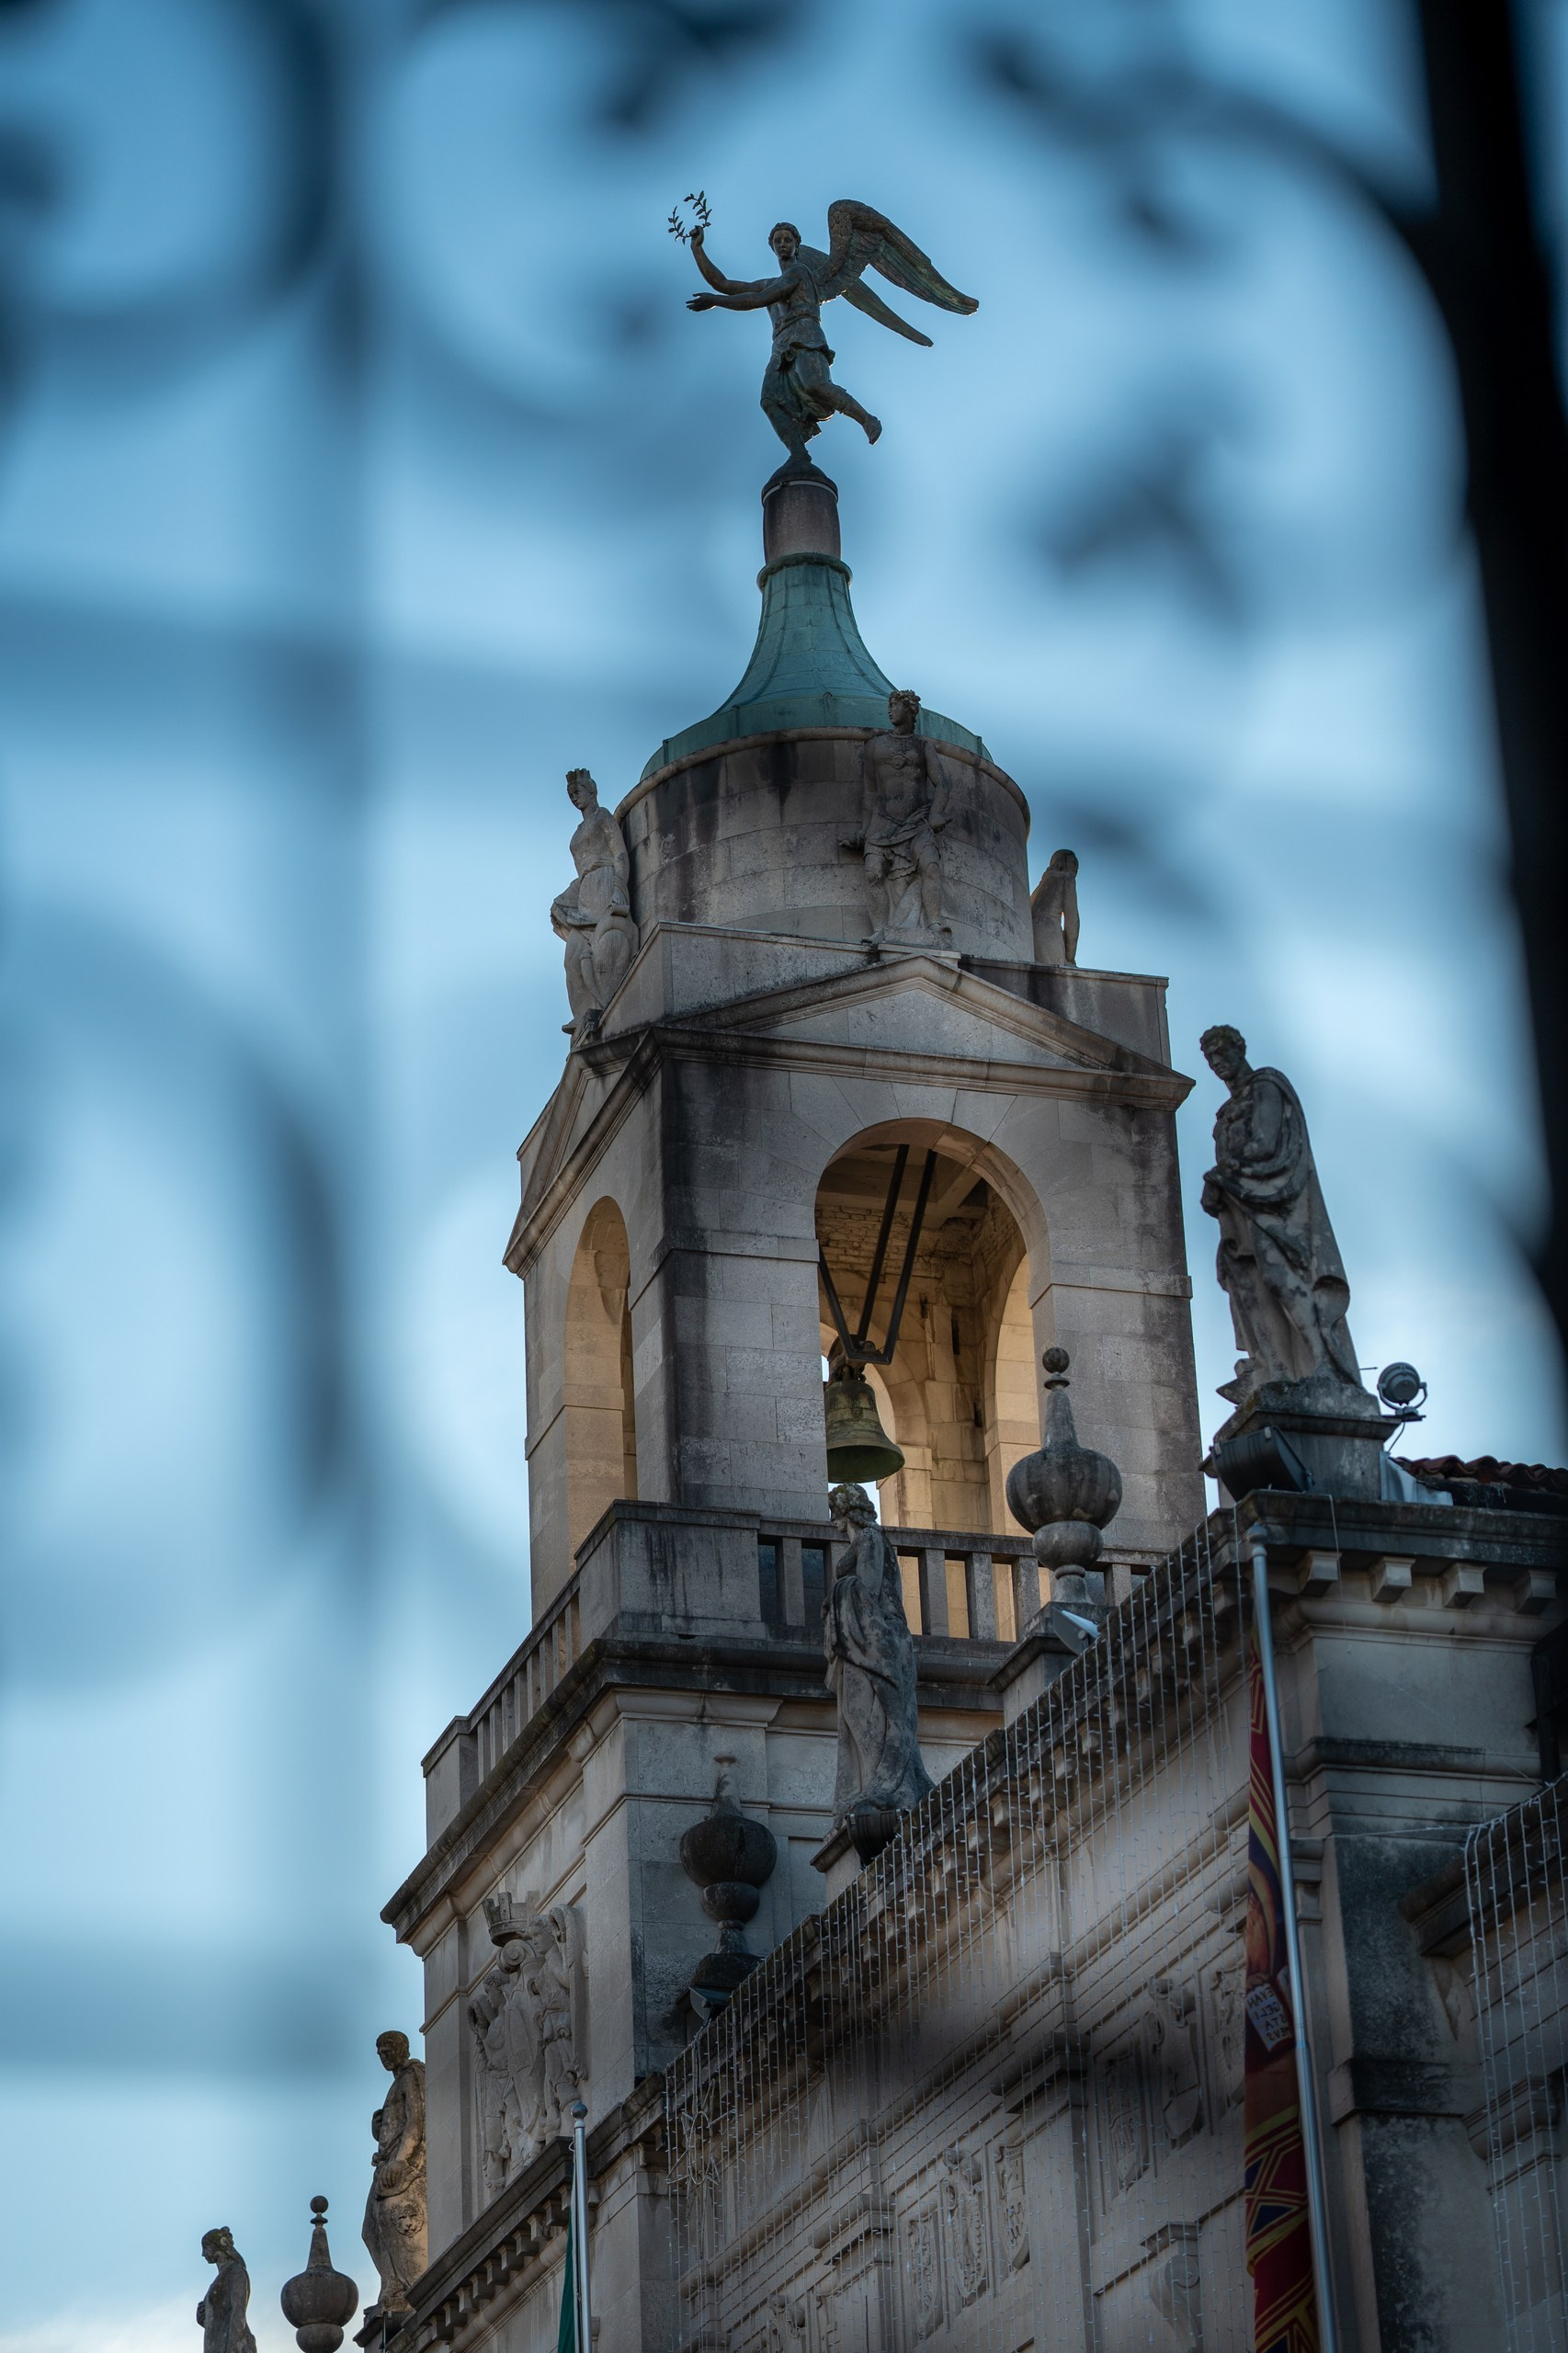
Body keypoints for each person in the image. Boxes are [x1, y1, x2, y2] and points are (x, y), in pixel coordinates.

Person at [1199, 1024, 1364, 1402]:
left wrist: (1219, 1176)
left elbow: (1264, 1143)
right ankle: (1271, 1367)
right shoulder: (1224, 1112)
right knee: (1245, 1283)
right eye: (1212, 1059)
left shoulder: (1266, 1086)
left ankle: (1323, 1362)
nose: (1219, 1063)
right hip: (1239, 1202)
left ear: (1240, 1049)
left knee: (1278, 1273)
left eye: (1223, 1053)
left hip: (1272, 1199)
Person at [687, 221, 881, 463]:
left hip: (804, 334)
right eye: (777, 241)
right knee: (769, 400)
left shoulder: (800, 273)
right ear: (772, 246)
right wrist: (697, 249)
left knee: (815, 385)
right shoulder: (769, 282)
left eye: (787, 240)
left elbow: (760, 299)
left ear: (796, 244)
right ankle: (799, 454)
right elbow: (723, 284)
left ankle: (866, 419)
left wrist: (716, 301)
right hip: (780, 345)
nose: (782, 244)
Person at [824, 1483, 934, 1824]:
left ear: (845, 1511)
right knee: (859, 1716)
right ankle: (870, 1783)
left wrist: (838, 1595)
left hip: (876, 1639)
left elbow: (867, 1587)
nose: (832, 1521)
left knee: (876, 1715)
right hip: (863, 1640)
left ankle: (886, 1785)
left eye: (834, 1512)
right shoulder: (863, 1540)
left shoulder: (871, 1537)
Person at [852, 689, 954, 942]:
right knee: (873, 873)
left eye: (896, 706)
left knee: (930, 867)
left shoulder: (922, 747)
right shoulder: (875, 746)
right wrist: (864, 831)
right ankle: (879, 930)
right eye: (890, 706)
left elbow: (942, 783)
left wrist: (936, 814)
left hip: (917, 821)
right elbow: (870, 791)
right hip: (882, 822)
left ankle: (935, 924)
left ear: (909, 710)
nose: (890, 711)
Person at [551, 770, 636, 1037]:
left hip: (605, 881)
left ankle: (604, 1005)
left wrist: (619, 889)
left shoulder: (604, 817)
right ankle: (581, 1014)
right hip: (586, 887)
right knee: (571, 956)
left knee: (601, 949)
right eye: (571, 795)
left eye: (578, 792)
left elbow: (620, 854)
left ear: (592, 791)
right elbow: (581, 871)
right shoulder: (578, 831)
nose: (575, 798)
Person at [362, 2029, 428, 2315]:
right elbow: (398, 2123)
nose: (384, 2056)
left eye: (388, 2050)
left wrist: (401, 2161)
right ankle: (392, 2287)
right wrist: (381, 2129)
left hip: (401, 2164)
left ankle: (408, 2288)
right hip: (386, 2163)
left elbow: (417, 2119)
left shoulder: (411, 2075)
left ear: (402, 2049)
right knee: (370, 2231)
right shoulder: (396, 2082)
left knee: (394, 2220)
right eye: (380, 2053)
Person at [197, 2229, 257, 2353]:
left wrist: (233, 2346)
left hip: (229, 2344)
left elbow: (238, 2310)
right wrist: (201, 2316)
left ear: (218, 2246)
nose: (203, 2253)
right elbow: (217, 2319)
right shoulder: (217, 2281)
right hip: (215, 2344)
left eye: (206, 2247)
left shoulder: (236, 2272)